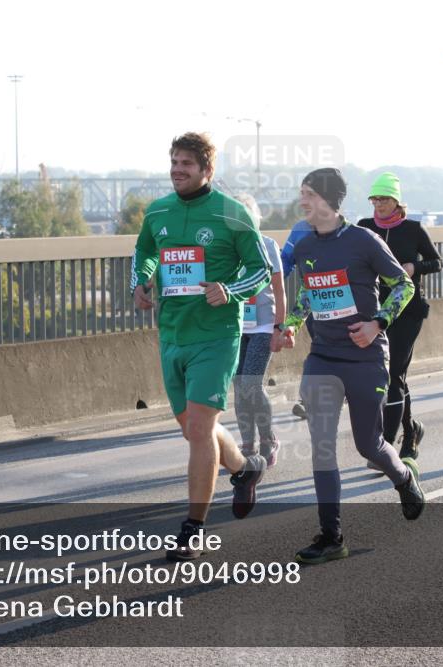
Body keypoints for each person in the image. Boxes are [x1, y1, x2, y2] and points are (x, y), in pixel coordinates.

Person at [272, 168, 425, 565]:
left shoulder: (362, 240)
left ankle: (403, 477)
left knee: (368, 445)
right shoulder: (305, 241)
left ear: (327, 199)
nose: (302, 201)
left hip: (366, 357)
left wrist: (377, 324)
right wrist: (289, 325)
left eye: (307, 194)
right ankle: (331, 534)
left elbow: (404, 286)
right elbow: (308, 293)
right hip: (323, 356)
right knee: (322, 447)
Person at [132, 132, 272, 562]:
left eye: (186, 165)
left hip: (215, 338)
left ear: (207, 170)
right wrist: (141, 280)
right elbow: (144, 251)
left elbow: (261, 270)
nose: (178, 171)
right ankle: (247, 469)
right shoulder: (158, 211)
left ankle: (193, 529)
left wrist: (228, 290)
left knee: (198, 429)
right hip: (171, 335)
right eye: (174, 163)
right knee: (198, 429)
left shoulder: (232, 214)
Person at [358, 172, 442, 462]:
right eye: (375, 199)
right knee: (388, 377)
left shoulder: (414, 229)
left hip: (407, 312)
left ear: (396, 201)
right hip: (375, 311)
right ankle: (411, 429)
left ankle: (385, 447)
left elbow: (437, 262)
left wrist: (414, 267)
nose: (378, 204)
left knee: (394, 374)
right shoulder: (365, 227)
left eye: (384, 199)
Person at [232, 194, 284, 468]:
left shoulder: (266, 245)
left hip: (264, 324)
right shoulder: (226, 246)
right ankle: (248, 444)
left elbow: (279, 289)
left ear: (255, 217)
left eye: (246, 214)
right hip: (235, 327)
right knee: (239, 387)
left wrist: (279, 327)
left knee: (251, 383)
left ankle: (268, 439)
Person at [280, 218, 314, 420]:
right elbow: (285, 260)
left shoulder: (348, 231)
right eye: (304, 196)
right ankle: (308, 400)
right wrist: (268, 284)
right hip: (313, 302)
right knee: (318, 350)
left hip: (345, 308)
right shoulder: (300, 229)